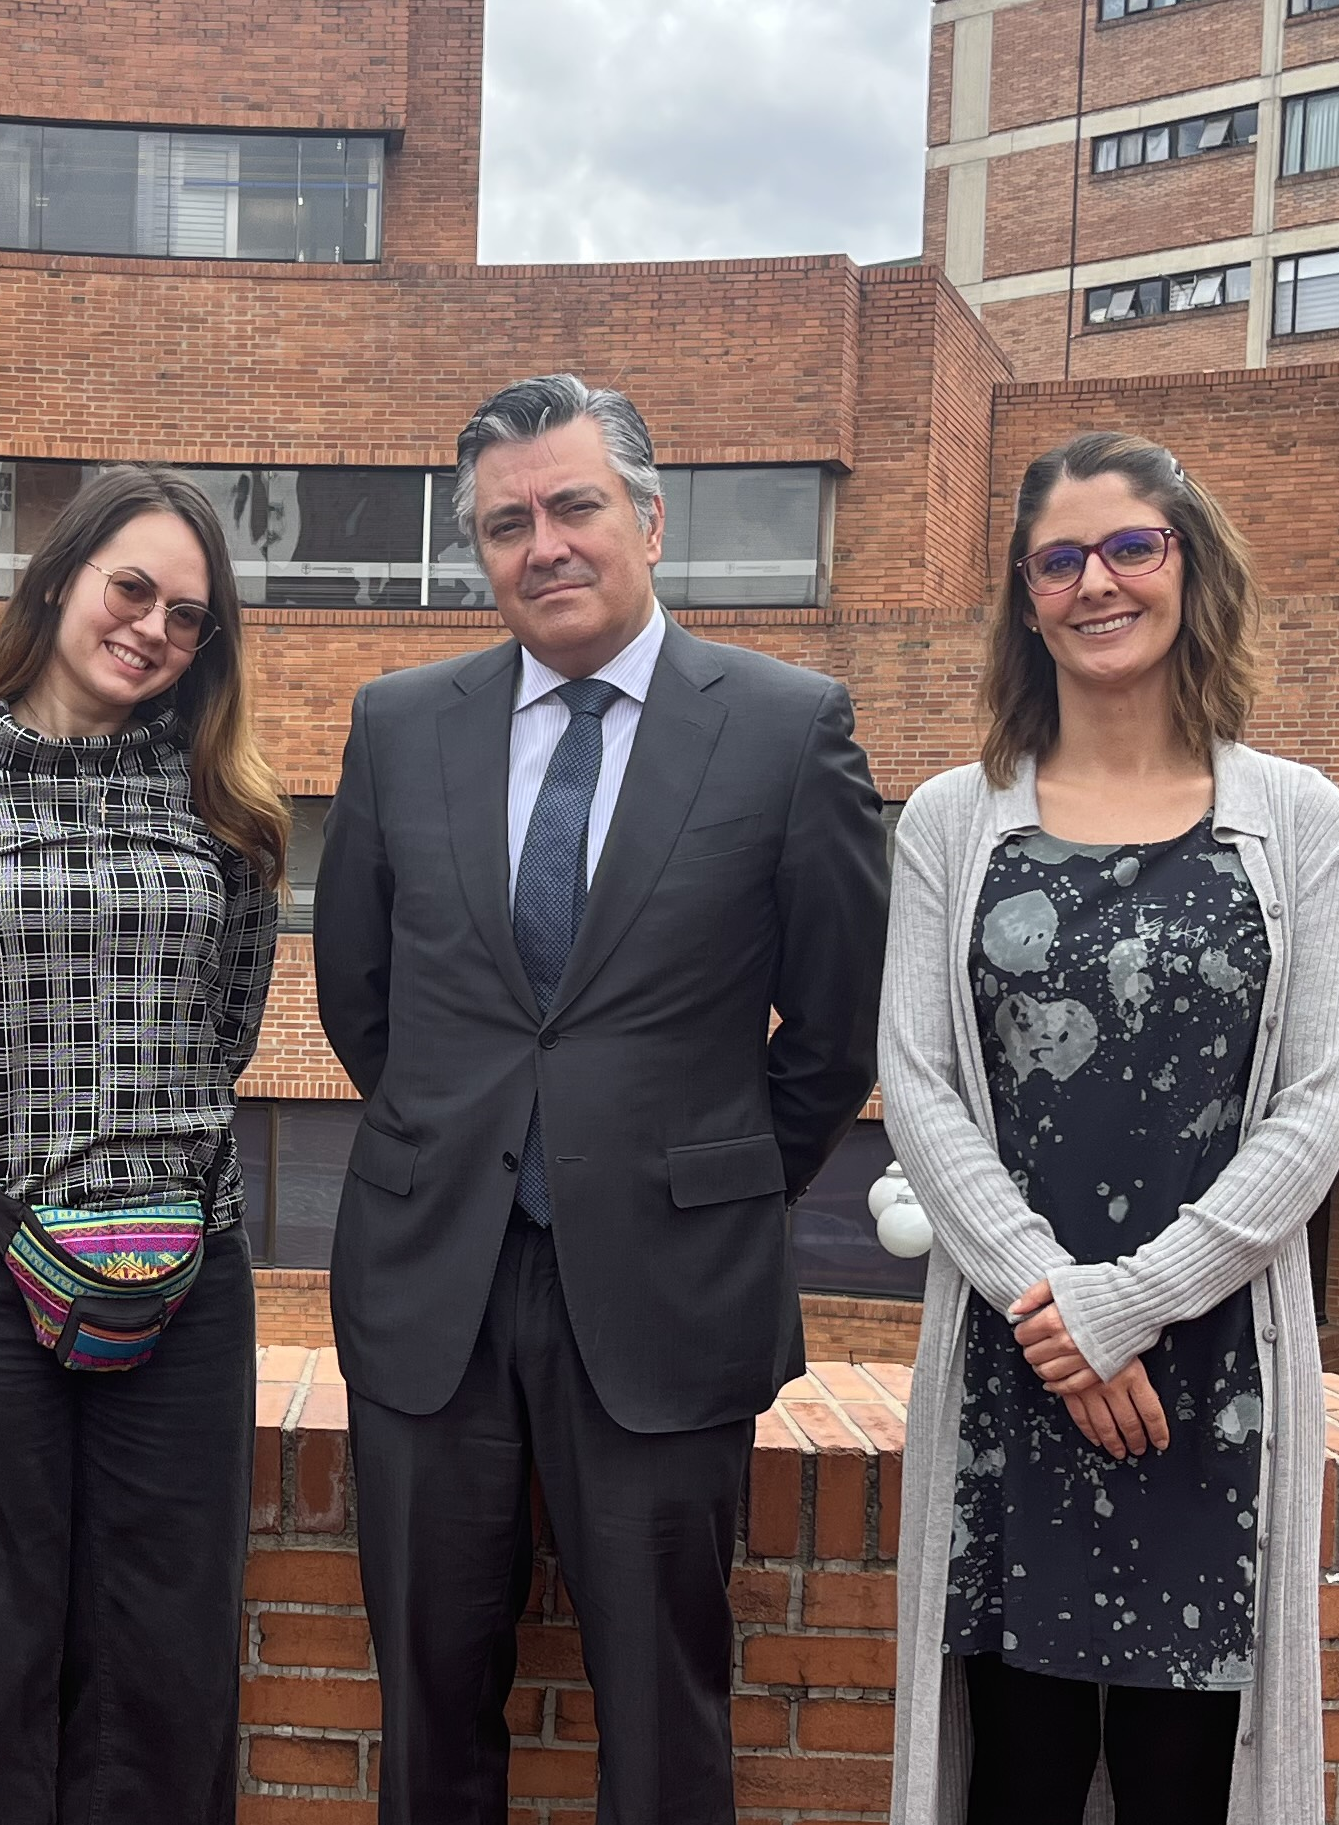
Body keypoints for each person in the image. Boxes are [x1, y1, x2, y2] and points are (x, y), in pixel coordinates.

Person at [314, 374, 888, 1825]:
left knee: (662, 1711)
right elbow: (359, 995)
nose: (544, 545)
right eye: (507, 524)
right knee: (429, 1711)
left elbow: (834, 1021)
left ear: (646, 515)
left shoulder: (785, 725)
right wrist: (477, 1139)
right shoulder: (398, 724)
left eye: (574, 506)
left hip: (668, 1284)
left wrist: (714, 1173)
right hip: (433, 1277)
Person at [881, 432, 1339, 1824]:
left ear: (1187, 565)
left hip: (1217, 1384)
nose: (1098, 581)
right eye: (1060, 559)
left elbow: (1319, 1104)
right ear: (1026, 600)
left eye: (1131, 547)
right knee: (1012, 1780)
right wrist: (1059, 1314)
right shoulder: (949, 822)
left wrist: (1129, 1305)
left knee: (1185, 1784)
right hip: (1009, 1374)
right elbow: (917, 1082)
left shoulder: (1297, 818)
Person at [0, 466, 287, 1825]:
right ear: (61, 578)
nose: (150, 627)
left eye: (188, 616)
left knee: (169, 1654)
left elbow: (229, 1028)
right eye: (129, 587)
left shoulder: (220, 796)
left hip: (187, 1282)